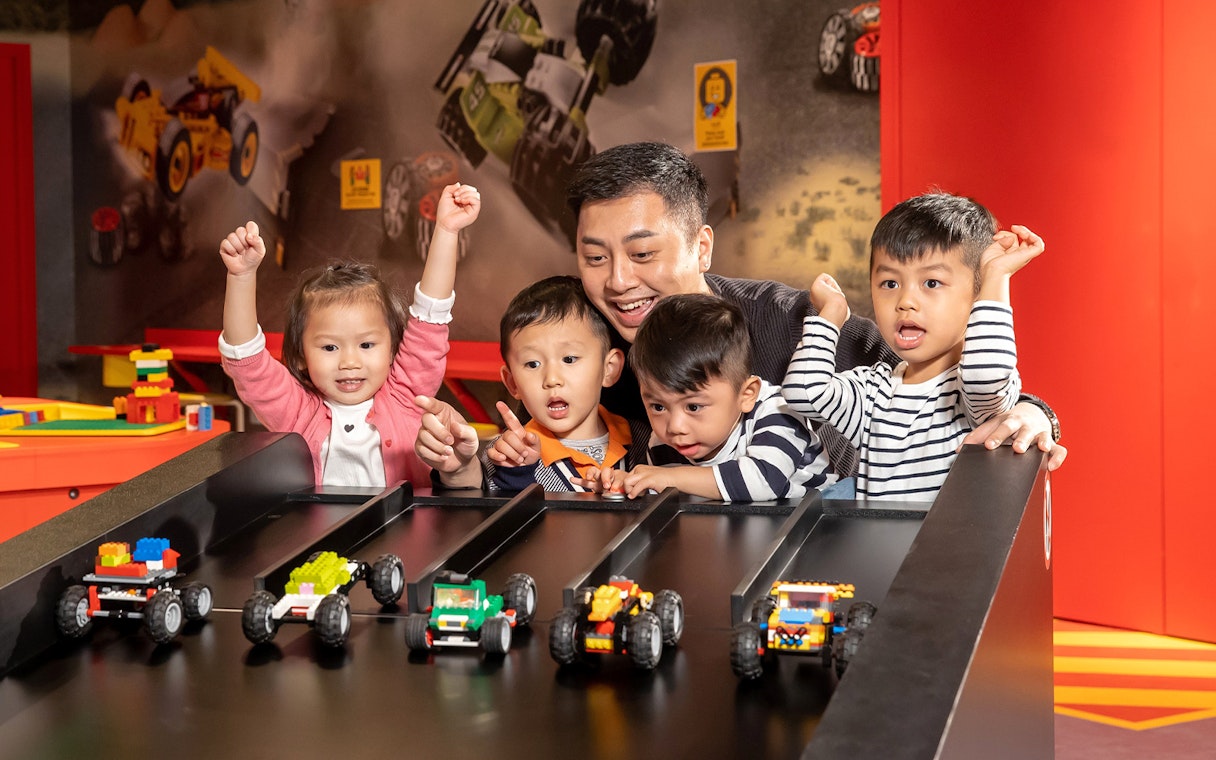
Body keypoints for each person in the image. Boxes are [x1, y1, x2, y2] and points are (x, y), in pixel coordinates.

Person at [415, 142, 1065, 483]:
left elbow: (935, 383)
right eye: (595, 256)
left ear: (702, 243)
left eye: (643, 253)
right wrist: (462, 461)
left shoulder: (789, 324)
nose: (617, 282)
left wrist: (1033, 409)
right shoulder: (579, 337)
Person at [218, 183, 481, 487]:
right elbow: (246, 359)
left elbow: (431, 315)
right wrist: (240, 275)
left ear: (394, 349)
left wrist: (447, 230)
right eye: (330, 347)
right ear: (301, 356)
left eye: (367, 344)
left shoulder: (407, 394)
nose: (349, 362)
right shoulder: (296, 412)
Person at [782, 192, 1039, 500]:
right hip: (876, 548)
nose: (905, 302)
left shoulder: (971, 396)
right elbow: (804, 393)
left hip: (947, 549)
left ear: (977, 295)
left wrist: (996, 277)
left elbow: (985, 374)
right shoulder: (872, 391)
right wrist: (831, 315)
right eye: (890, 283)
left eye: (931, 283)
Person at [600, 293, 832, 501]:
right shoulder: (665, 442)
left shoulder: (778, 413)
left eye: (693, 406)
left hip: (822, 516)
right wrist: (628, 485)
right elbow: (667, 493)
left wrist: (668, 477)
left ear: (746, 394)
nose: (675, 427)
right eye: (658, 407)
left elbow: (765, 481)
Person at [434, 275, 632, 492]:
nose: (552, 379)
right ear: (512, 383)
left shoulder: (642, 440)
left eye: (569, 359)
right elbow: (491, 518)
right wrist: (515, 474)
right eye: (533, 364)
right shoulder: (507, 454)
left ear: (609, 369)